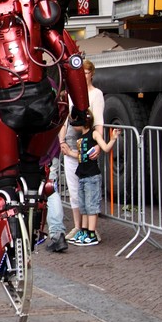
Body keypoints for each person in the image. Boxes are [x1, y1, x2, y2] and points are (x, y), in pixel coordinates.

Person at [60, 59, 106, 241]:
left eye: (86, 73)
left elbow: (99, 121)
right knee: (74, 188)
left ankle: (90, 230)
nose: (83, 76)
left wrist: (98, 144)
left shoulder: (96, 94)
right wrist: (61, 140)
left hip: (86, 144)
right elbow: (64, 120)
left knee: (88, 188)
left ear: (91, 74)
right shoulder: (71, 94)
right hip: (71, 144)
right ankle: (78, 226)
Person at [66, 110, 120, 246]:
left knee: (91, 205)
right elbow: (80, 155)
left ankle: (91, 232)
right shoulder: (80, 138)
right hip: (82, 175)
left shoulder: (94, 134)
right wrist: (69, 152)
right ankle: (84, 231)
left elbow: (105, 148)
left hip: (92, 175)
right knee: (83, 205)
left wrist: (113, 138)